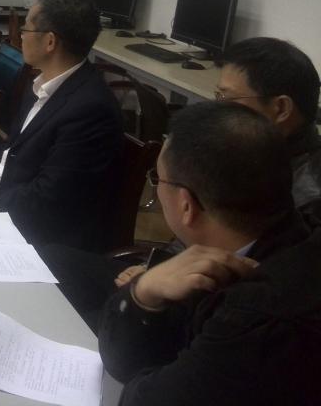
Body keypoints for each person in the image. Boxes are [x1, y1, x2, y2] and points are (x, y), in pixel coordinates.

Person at [99, 101, 321, 404]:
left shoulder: (256, 321)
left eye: (158, 179)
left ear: (186, 205)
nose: (157, 189)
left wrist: (141, 288)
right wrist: (145, 292)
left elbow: (140, 397)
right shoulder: (293, 234)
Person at [0, 0, 124, 251]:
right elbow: (9, 148)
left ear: (50, 42)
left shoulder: (90, 110)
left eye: (26, 29)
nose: (21, 36)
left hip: (36, 237)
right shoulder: (43, 84)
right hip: (5, 203)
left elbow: (47, 199)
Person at [216, 37, 320, 207]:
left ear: (281, 108)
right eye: (219, 96)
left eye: (228, 98)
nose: (218, 108)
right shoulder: (255, 148)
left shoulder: (304, 204)